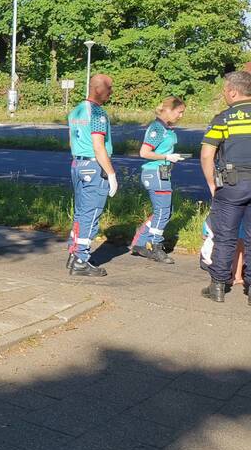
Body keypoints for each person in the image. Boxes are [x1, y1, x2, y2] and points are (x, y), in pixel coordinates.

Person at [199, 70, 251, 303]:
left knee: (225, 235)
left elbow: (206, 154)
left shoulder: (224, 118)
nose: (223, 94)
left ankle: (218, 286)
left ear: (233, 92)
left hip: (232, 184)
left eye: (224, 90)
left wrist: (212, 183)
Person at [66, 74, 117, 276]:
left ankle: (74, 252)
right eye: (109, 88)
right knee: (91, 213)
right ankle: (81, 259)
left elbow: (71, 141)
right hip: (94, 166)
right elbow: (98, 146)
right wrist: (111, 173)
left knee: (80, 212)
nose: (111, 92)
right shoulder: (97, 113)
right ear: (98, 89)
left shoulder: (76, 110)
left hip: (77, 164)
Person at [130, 96, 187, 263]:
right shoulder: (157, 128)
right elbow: (144, 152)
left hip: (162, 173)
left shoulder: (166, 128)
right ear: (168, 110)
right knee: (163, 211)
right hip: (155, 173)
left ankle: (140, 243)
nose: (181, 116)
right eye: (179, 112)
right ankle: (155, 246)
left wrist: (171, 157)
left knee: (164, 211)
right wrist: (167, 157)